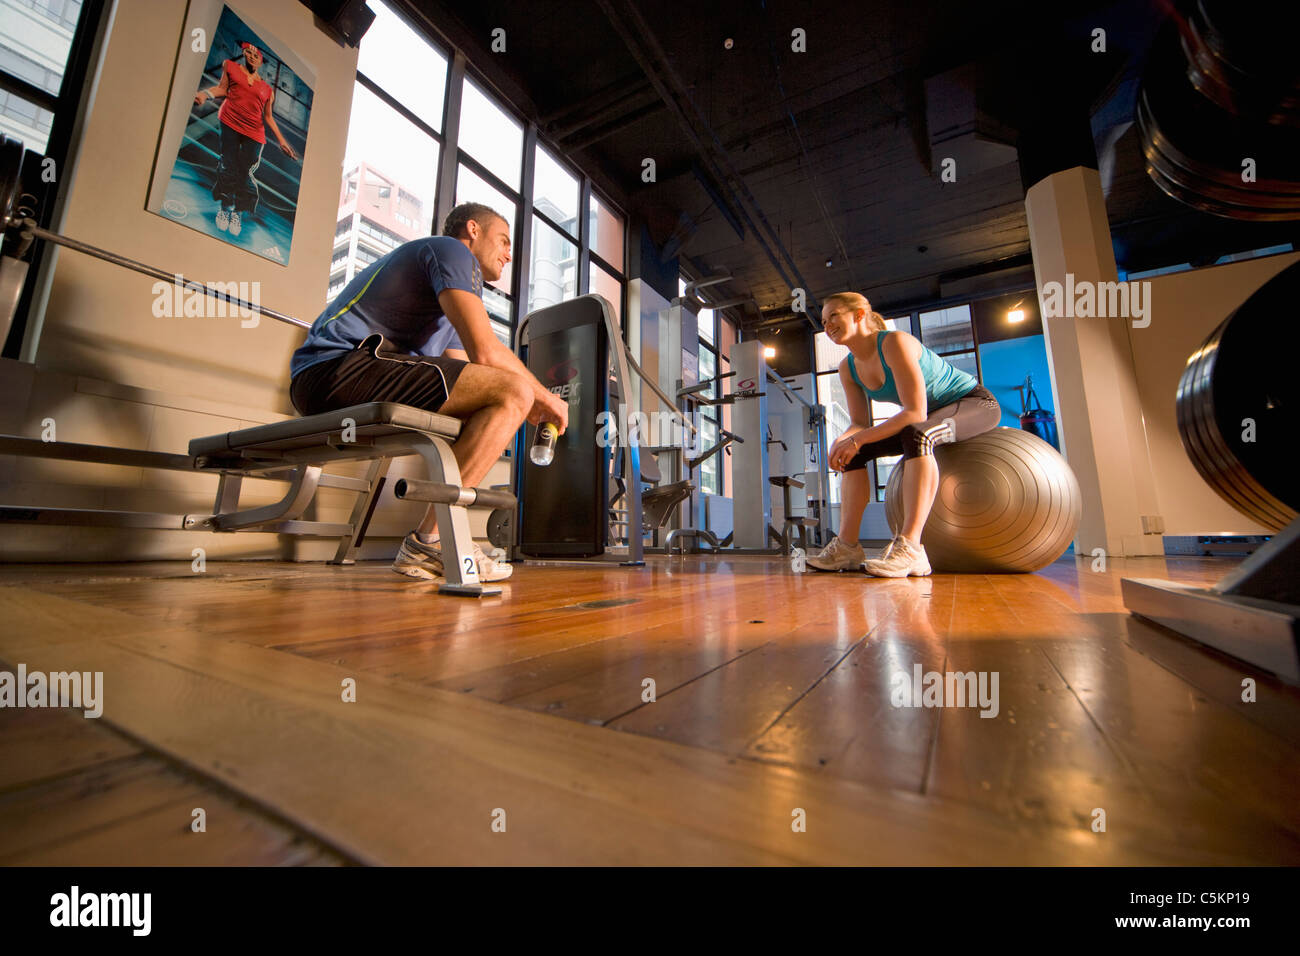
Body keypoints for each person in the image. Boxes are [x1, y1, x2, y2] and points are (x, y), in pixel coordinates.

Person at [289, 202, 568, 582]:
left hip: (345, 375)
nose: (508, 254)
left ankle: (429, 541)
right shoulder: (451, 251)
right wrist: (544, 398)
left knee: (503, 398)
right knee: (514, 391)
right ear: (473, 230)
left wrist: (518, 404)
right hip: (335, 368)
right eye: (503, 241)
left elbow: (474, 373)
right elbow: (485, 351)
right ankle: (430, 542)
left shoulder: (448, 302)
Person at [807, 292, 1000, 576]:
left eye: (834, 315)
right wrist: (842, 442)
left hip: (973, 404)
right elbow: (859, 422)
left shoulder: (894, 343)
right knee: (853, 453)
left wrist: (857, 438)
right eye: (824, 320)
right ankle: (847, 547)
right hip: (928, 417)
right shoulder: (847, 367)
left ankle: (911, 549)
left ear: (859, 314)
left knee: (917, 434)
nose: (827, 325)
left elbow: (914, 413)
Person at [194, 41, 298, 238]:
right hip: (230, 123)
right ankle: (225, 208)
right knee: (227, 166)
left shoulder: (267, 89)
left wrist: (282, 141)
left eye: (255, 54)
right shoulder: (230, 67)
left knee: (245, 174)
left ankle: (238, 213)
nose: (251, 56)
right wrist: (205, 94)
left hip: (254, 134)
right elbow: (222, 89)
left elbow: (268, 117)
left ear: (260, 61)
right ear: (244, 54)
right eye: (247, 52)